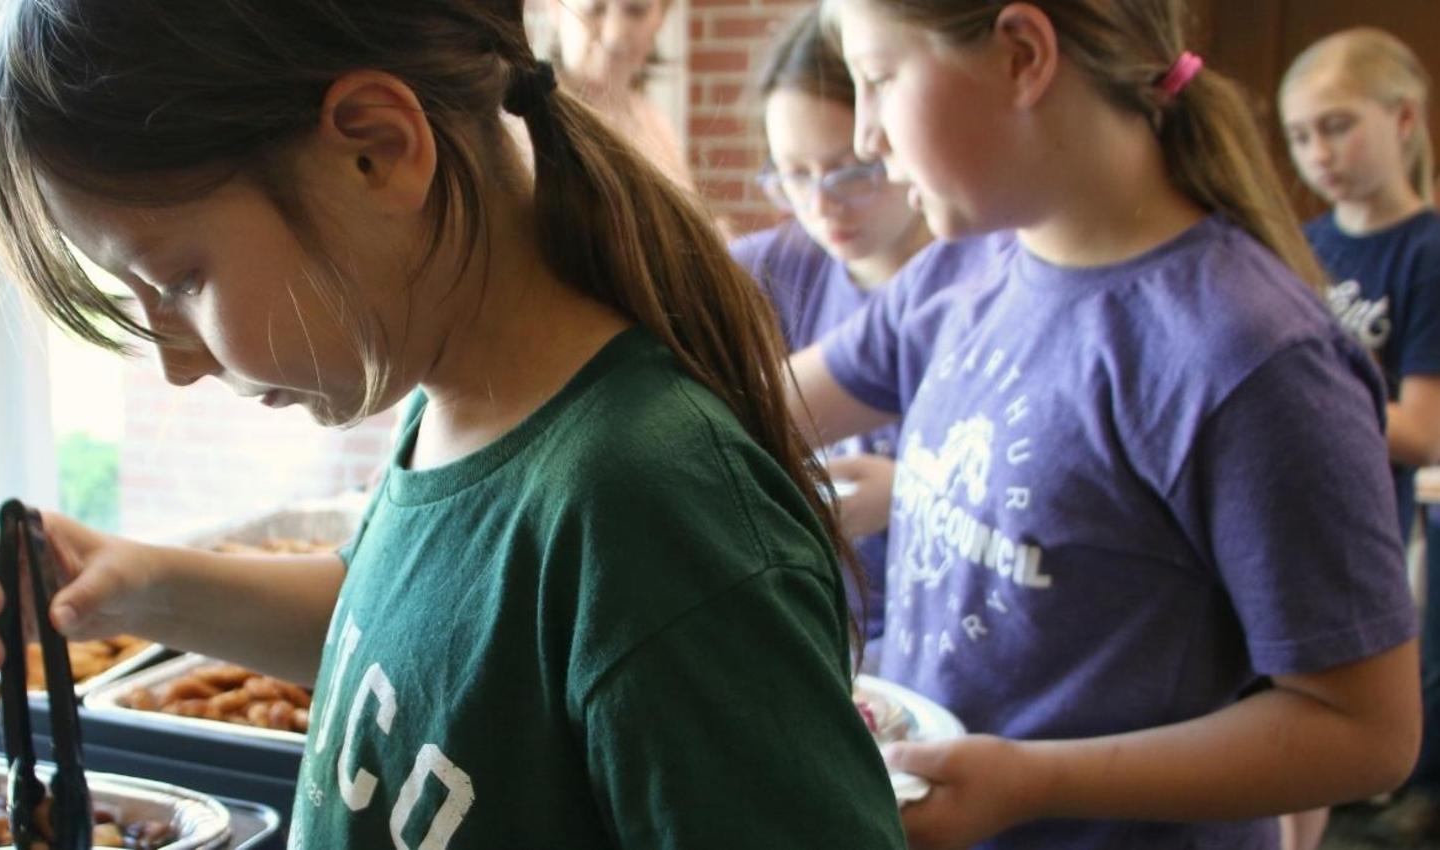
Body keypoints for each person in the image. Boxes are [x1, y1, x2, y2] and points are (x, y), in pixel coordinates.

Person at [0, 1, 904, 848]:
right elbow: (418, 631)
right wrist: (140, 590)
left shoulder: (653, 508)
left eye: (178, 282)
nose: (177, 360)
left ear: (376, 149)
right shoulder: (453, 405)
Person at [785, 1, 1422, 847]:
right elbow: (770, 401)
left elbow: (1365, 733)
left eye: (878, 78)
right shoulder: (965, 271)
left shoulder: (1249, 359)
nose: (867, 136)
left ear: (1021, 54)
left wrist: (1036, 782)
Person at [730, 7, 937, 660]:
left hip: (923, 638)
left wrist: (910, 494)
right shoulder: (766, 268)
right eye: (792, 174)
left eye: (850, 171)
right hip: (805, 628)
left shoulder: (966, 283)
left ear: (892, 141)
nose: (820, 204)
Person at [1279, 27, 1440, 847]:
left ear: (1405, 121)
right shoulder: (1306, 246)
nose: (1319, 153)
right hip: (1288, 514)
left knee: (1322, 729)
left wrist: (1304, 401)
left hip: (1369, 527)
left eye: (1337, 125)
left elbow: (1423, 428)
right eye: (1301, 135)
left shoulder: (1427, 252)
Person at [548, 0, 695, 190]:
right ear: (554, 7)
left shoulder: (658, 126)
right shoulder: (528, 125)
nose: (613, 35)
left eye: (636, 11)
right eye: (594, 9)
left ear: (660, 18)